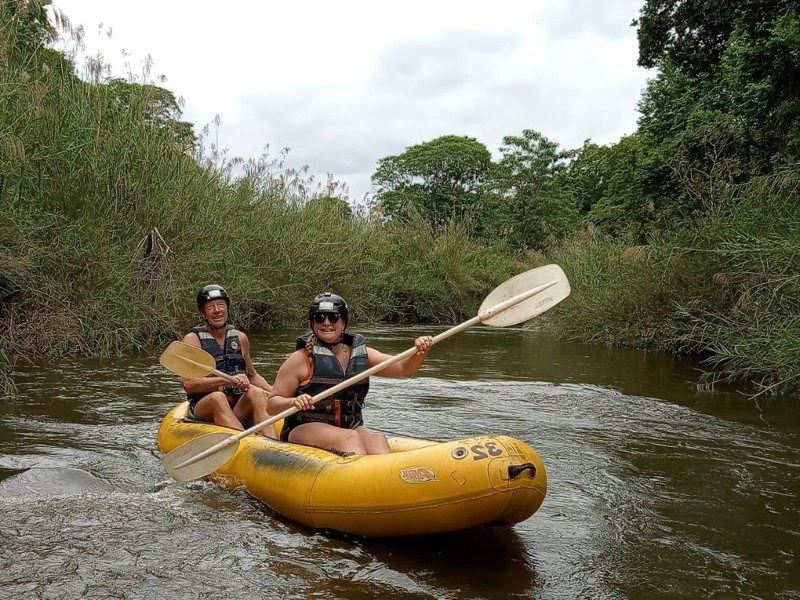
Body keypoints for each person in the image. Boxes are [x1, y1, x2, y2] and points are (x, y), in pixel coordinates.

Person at [267, 292, 433, 455]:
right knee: (349, 438)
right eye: (319, 318)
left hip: (348, 426)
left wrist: (419, 352)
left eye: (333, 317)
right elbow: (272, 405)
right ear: (312, 323)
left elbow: (403, 368)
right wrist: (294, 401)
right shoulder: (300, 359)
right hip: (303, 428)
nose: (326, 323)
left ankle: (382, 473)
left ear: (343, 322)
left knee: (377, 441)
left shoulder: (360, 354)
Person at [182, 284, 274, 437]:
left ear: (227, 308)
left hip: (237, 407)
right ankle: (244, 443)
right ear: (203, 312)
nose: (217, 310)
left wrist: (276, 394)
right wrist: (226, 380)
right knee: (218, 398)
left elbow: (253, 376)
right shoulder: (193, 340)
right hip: (206, 407)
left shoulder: (240, 338)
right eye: (210, 307)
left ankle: (271, 443)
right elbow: (189, 385)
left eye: (221, 305)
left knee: (256, 392)